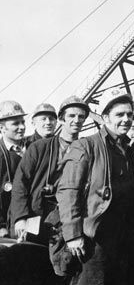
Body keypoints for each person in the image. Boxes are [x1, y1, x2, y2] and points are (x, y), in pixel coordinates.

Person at [56, 88, 134, 285]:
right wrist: (73, 235)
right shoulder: (86, 146)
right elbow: (69, 191)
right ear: (105, 117)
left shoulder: (128, 149)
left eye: (129, 114)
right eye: (119, 114)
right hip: (94, 236)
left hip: (123, 235)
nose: (126, 119)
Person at [11, 96, 89, 245]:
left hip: (68, 218)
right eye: (72, 116)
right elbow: (20, 183)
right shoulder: (39, 147)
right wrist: (20, 217)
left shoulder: (87, 148)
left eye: (81, 116)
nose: (77, 120)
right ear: (61, 119)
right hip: (37, 217)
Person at [0, 100, 27, 238]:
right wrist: (1, 226)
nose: (22, 127)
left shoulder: (32, 147)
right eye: (15, 124)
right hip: (9, 225)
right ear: (2, 128)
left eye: (23, 122)